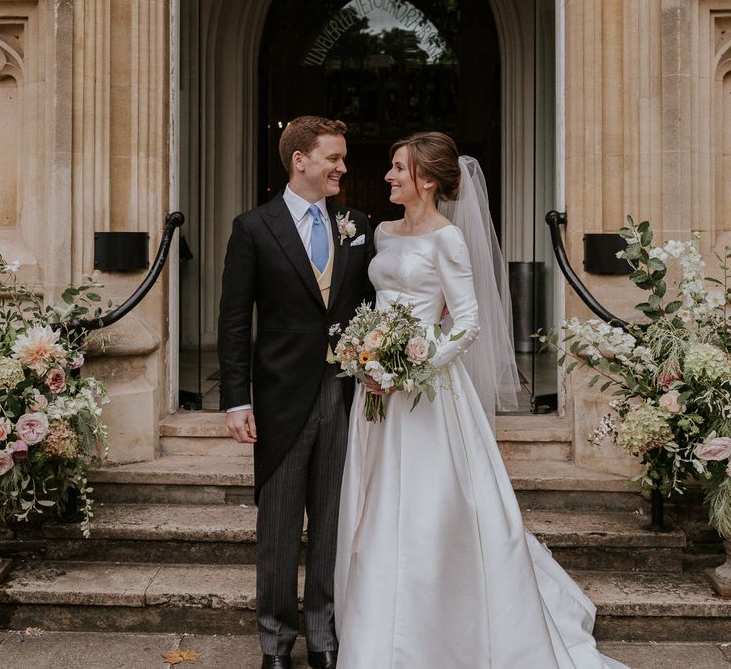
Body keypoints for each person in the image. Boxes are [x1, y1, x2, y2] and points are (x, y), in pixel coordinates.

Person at [333, 132, 629, 669]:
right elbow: (379, 303)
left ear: (426, 179)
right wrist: (367, 356)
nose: (388, 176)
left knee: (430, 509)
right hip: (376, 392)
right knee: (374, 503)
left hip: (427, 393)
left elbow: (466, 322)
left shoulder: (448, 239)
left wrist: (411, 366)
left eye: (398, 168)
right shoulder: (381, 232)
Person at [219, 116, 375, 669]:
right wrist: (238, 400)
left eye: (343, 157)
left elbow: (372, 306)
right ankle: (276, 643)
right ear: (300, 160)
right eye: (333, 157)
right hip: (281, 399)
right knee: (279, 526)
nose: (342, 167)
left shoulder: (356, 223)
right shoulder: (253, 228)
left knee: (333, 521)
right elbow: (235, 320)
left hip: (343, 395)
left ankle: (325, 639)